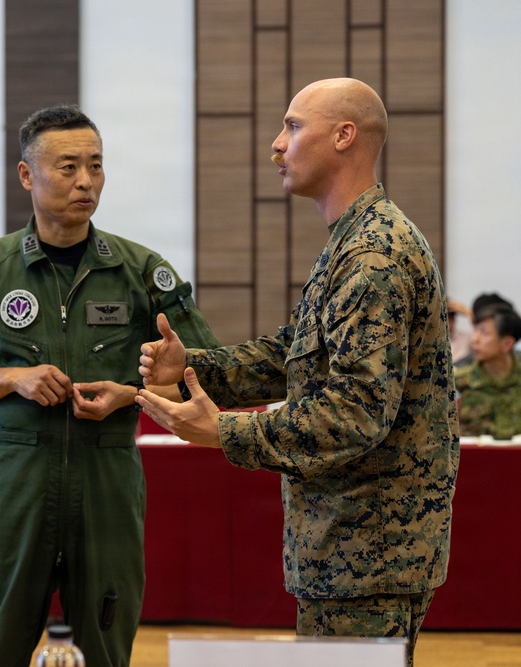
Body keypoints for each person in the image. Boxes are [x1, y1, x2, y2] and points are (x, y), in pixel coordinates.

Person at [136, 78, 458, 667]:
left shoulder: (374, 256)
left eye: (292, 126)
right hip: (351, 546)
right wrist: (194, 368)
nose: (275, 146)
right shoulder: (353, 243)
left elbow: (356, 413)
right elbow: (296, 354)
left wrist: (226, 432)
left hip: (369, 549)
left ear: (343, 136)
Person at [0, 104, 219, 667]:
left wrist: (131, 394)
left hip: (106, 483)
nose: (86, 181)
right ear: (27, 175)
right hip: (16, 485)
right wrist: (14, 377)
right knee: (0, 651)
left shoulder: (141, 272)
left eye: (96, 166)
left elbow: (202, 379)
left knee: (106, 652)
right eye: (67, 167)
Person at [455, 304, 521, 439]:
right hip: (474, 458)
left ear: (507, 344)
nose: (475, 339)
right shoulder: (459, 382)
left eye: (484, 333)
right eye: (475, 331)